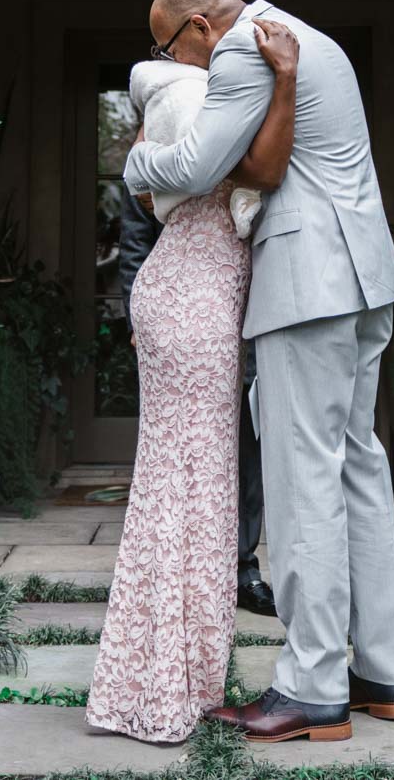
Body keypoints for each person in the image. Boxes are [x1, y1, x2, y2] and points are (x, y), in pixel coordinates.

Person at [123, 0, 394, 746]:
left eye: (166, 45)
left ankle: (311, 686)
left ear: (192, 27)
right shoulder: (309, 37)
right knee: (356, 464)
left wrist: (135, 165)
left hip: (306, 281)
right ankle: (383, 673)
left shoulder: (242, 54)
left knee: (301, 476)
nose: (174, 60)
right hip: (363, 277)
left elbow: (192, 169)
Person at [85, 19, 299, 745]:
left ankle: (172, 673)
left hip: (194, 290)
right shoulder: (188, 101)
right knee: (184, 485)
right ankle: (160, 685)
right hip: (191, 294)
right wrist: (286, 84)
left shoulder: (191, 106)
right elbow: (247, 175)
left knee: (194, 484)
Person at [118, 187, 275, 618]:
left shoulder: (240, 137)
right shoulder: (153, 152)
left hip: (239, 313)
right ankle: (175, 574)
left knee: (244, 450)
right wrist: (136, 321)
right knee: (175, 458)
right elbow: (135, 239)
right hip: (175, 324)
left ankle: (243, 569)